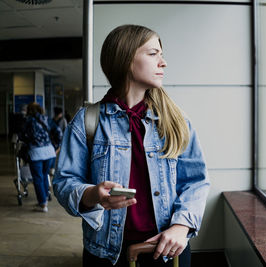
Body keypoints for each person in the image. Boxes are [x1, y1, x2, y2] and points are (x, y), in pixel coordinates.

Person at [53, 24, 210, 267]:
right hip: (105, 255)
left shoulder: (176, 120)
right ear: (126, 58)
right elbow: (64, 182)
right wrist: (92, 194)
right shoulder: (87, 121)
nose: (163, 62)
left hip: (169, 252)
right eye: (153, 53)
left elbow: (195, 182)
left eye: (161, 54)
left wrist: (181, 226)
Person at [20, 102, 56, 212]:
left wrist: (29, 141)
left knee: (38, 178)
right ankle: (44, 198)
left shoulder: (28, 121)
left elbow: (21, 135)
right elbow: (58, 132)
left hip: (36, 153)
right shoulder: (47, 119)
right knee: (44, 175)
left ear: (29, 110)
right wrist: (56, 146)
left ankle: (43, 204)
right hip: (50, 152)